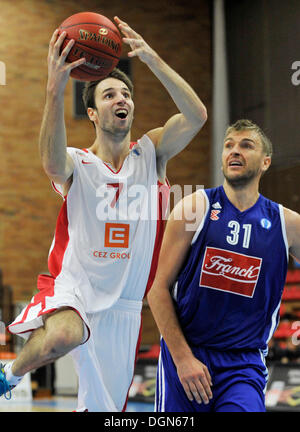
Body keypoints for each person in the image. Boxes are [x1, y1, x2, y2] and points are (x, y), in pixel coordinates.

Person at [0, 17, 207, 411]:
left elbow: (196, 116)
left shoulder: (152, 153)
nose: (121, 99)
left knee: (106, 412)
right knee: (64, 334)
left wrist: (152, 59)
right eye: (109, 95)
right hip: (75, 287)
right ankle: (7, 377)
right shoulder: (78, 163)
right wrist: (54, 85)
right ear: (93, 114)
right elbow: (50, 163)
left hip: (125, 306)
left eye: (125, 93)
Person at [147, 119, 300, 412]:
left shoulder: (287, 224)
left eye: (246, 145)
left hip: (243, 364)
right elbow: (158, 290)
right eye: (229, 145)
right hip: (186, 355)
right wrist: (182, 358)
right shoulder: (194, 208)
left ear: (266, 162)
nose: (234, 151)